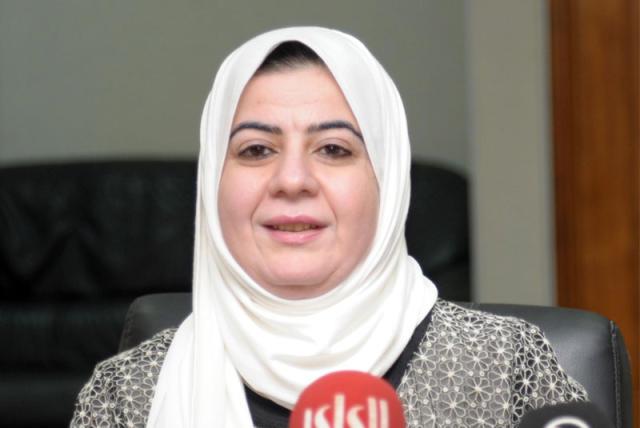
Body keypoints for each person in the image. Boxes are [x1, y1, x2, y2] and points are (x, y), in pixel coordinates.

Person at [70, 27, 587, 428]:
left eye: (334, 149)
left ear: (387, 180)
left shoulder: (504, 365)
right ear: (212, 183)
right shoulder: (128, 395)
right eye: (256, 149)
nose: (292, 180)